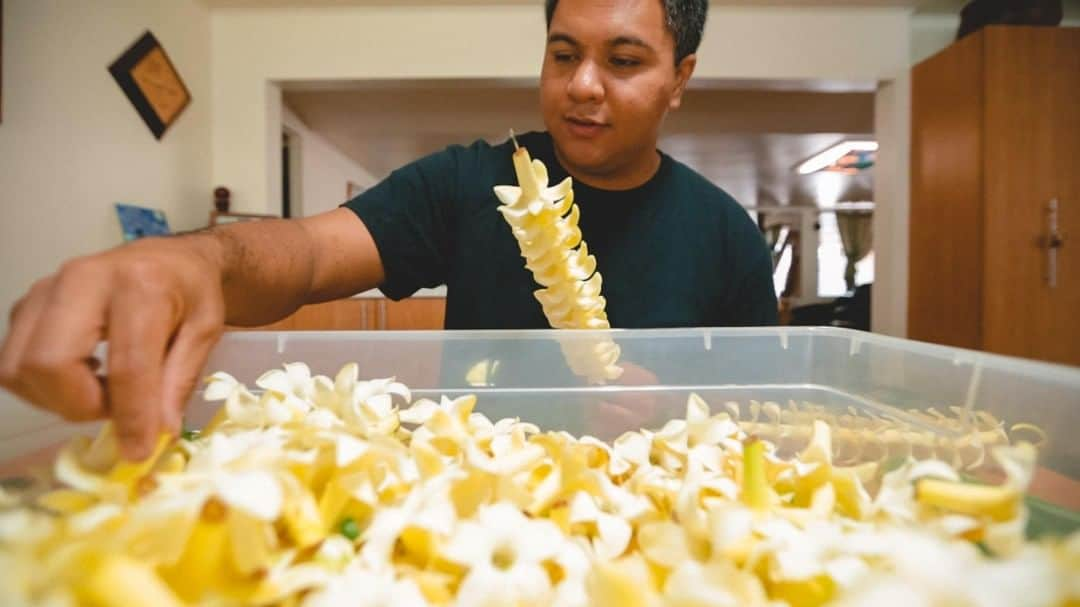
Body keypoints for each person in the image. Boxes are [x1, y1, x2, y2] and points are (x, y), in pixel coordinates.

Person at [0, 0, 777, 460]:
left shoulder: (729, 236)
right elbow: (307, 254)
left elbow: (763, 424)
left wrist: (676, 410)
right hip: (463, 520)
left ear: (681, 78)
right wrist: (195, 260)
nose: (580, 84)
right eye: (563, 52)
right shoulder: (469, 182)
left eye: (625, 60)